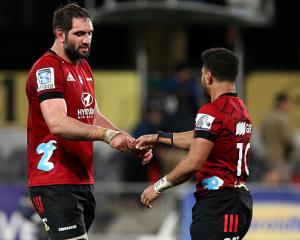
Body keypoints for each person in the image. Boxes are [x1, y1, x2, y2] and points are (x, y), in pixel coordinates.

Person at [25, 3, 152, 240]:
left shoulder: (83, 67)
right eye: (79, 34)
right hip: (54, 179)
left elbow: (92, 114)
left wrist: (127, 140)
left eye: (90, 33)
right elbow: (57, 123)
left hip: (82, 179)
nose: (87, 40)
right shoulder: (47, 69)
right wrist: (107, 136)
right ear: (60, 34)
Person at [136, 48, 253, 240]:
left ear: (208, 76)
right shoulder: (240, 109)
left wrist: (157, 187)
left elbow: (193, 161)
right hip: (237, 201)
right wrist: (158, 138)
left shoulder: (211, 110)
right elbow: (201, 138)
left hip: (218, 204)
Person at [261, 92, 297, 184]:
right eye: (287, 103)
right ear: (282, 103)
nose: (289, 106)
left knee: (272, 178)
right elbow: (289, 139)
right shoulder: (282, 119)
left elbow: (263, 137)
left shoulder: (267, 118)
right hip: (281, 157)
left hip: (268, 155)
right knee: (278, 180)